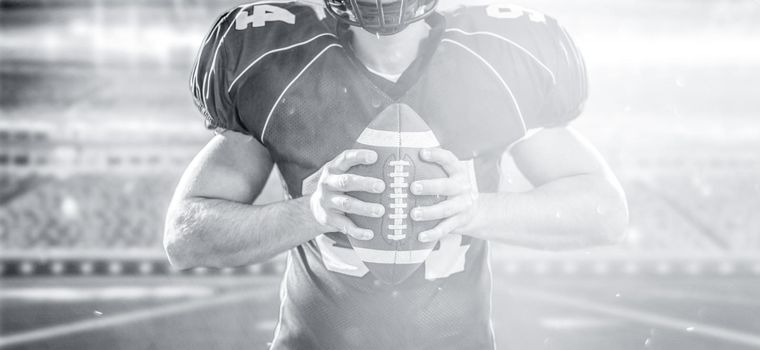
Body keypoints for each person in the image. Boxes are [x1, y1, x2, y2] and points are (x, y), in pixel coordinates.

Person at [164, 0, 629, 348]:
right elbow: (185, 236)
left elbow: (605, 212)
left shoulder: (496, 62)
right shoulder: (279, 64)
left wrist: (476, 210)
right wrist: (311, 213)